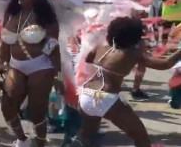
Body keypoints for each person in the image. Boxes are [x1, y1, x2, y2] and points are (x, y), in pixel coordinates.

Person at [71, 17, 181, 147]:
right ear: (133, 38)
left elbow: (89, 59)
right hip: (106, 99)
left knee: (86, 136)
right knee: (141, 139)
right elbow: (165, 64)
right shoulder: (131, 54)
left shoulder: (101, 47)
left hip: (85, 96)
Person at [0, 0, 60, 147]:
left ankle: (40, 144)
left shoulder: (46, 18)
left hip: (40, 65)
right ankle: (22, 139)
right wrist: (0, 61)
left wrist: (57, 74)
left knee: (36, 112)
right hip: (16, 65)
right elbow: (4, 41)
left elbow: (53, 44)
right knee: (7, 106)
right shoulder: (11, 13)